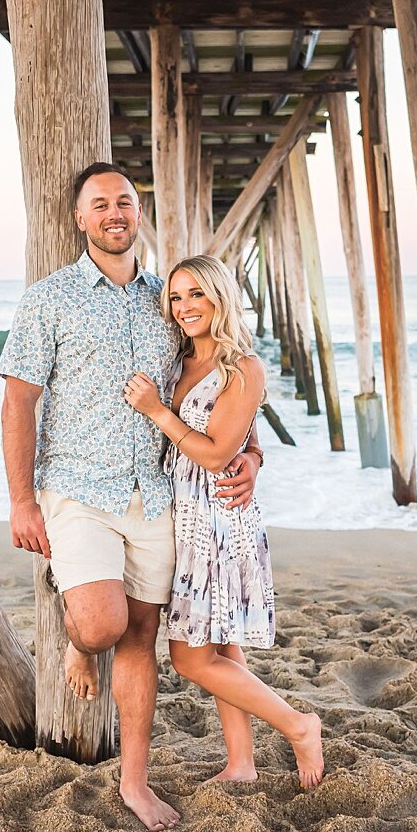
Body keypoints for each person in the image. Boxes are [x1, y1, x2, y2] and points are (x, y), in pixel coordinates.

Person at [0, 163, 263, 832]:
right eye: (99, 204)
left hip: (157, 493)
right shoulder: (48, 299)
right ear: (80, 220)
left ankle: (134, 783)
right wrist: (21, 500)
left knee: (143, 636)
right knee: (101, 625)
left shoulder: (168, 300)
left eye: (124, 201)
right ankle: (79, 642)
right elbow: (18, 401)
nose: (114, 212)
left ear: (137, 213)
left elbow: (219, 381)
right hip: (78, 489)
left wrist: (251, 453)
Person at [123, 254, 324, 790]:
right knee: (222, 647)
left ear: (220, 297)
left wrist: (156, 412)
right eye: (176, 296)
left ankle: (298, 725)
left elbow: (215, 455)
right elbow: (247, 441)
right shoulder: (175, 359)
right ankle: (241, 763)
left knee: (189, 658)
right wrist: (255, 457)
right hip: (181, 512)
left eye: (197, 294)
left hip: (216, 517)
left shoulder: (242, 367)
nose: (185, 306)